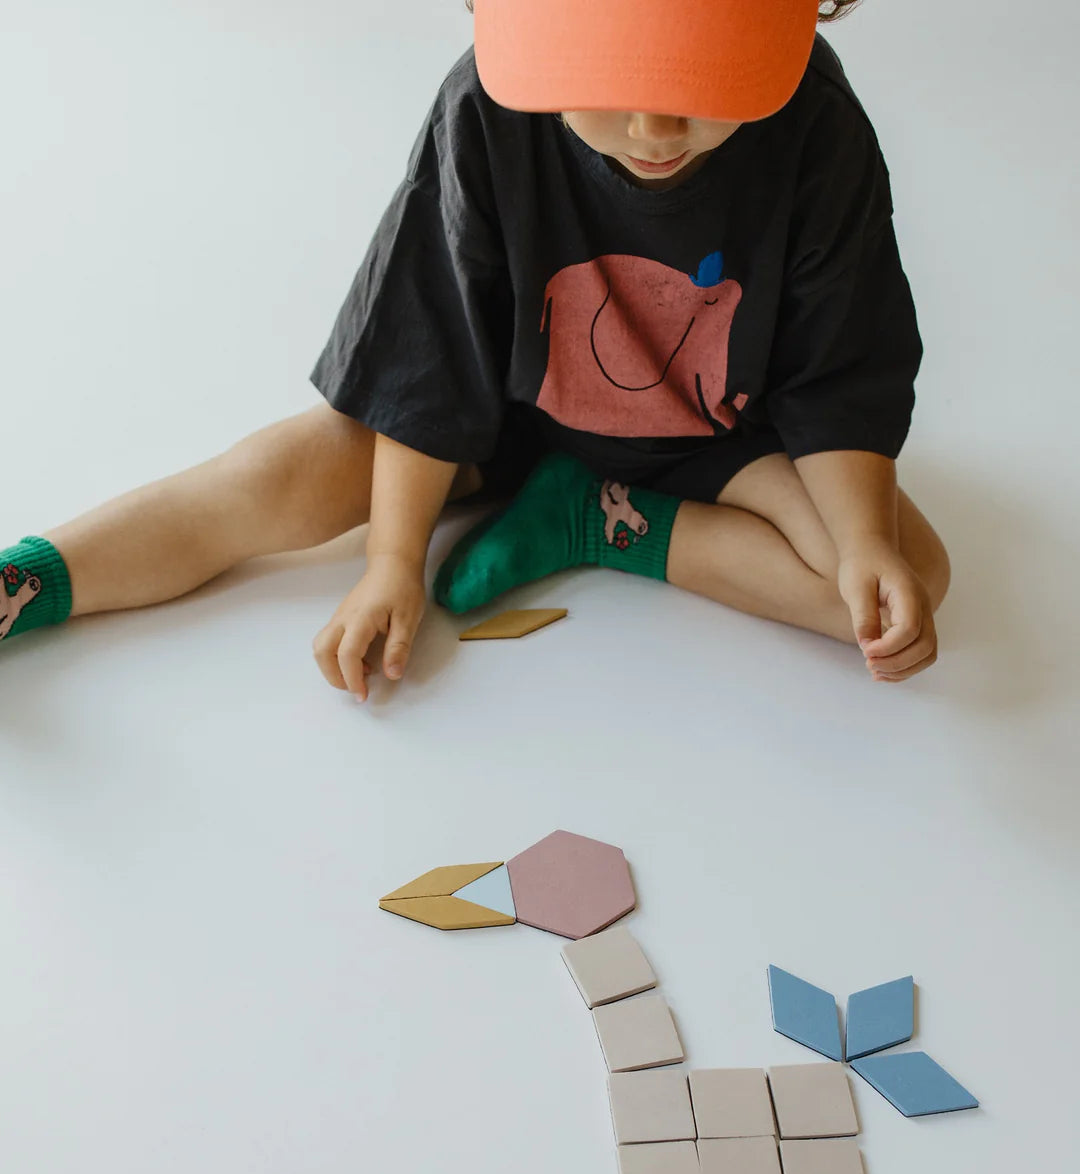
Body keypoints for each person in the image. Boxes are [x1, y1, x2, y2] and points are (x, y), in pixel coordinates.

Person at [1, 0, 948, 693]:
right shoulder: (488, 106)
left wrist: (866, 542)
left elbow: (841, 365)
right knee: (278, 477)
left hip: (720, 429)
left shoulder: (815, 121)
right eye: (616, 81)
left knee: (908, 580)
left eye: (703, 84)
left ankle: (602, 521)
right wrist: (393, 559)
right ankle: (22, 584)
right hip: (505, 412)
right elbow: (429, 347)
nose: (657, 129)